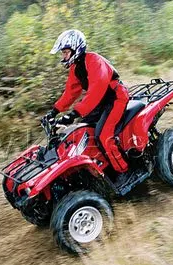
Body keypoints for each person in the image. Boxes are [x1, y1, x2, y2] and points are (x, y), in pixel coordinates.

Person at [45, 29, 129, 173]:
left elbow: (96, 90)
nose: (63, 56)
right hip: (100, 103)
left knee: (103, 136)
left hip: (115, 99)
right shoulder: (76, 68)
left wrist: (73, 114)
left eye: (65, 52)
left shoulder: (94, 61)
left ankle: (123, 171)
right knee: (82, 132)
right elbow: (70, 92)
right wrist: (54, 112)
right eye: (63, 53)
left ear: (76, 49)